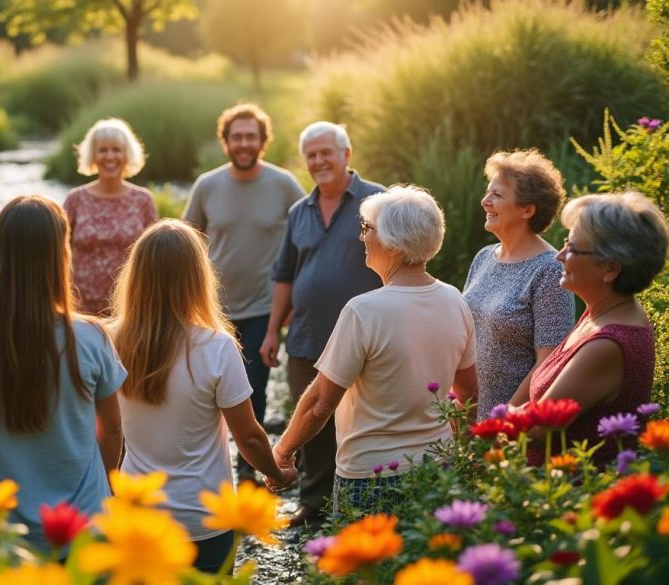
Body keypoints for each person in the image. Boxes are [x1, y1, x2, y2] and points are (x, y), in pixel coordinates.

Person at [0, 196, 124, 551]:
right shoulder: (93, 337)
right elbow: (111, 430)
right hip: (81, 529)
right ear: (60, 256)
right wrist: (106, 482)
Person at [270, 186, 477, 514]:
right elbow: (466, 392)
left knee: (362, 565)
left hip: (372, 476)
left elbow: (320, 402)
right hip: (439, 468)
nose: (361, 237)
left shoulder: (364, 311)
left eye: (367, 229)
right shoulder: (455, 300)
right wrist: (461, 456)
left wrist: (282, 451)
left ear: (394, 245)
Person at [110, 220, 297, 573]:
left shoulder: (110, 340)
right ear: (197, 277)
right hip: (204, 517)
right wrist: (279, 473)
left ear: (135, 276)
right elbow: (250, 437)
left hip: (138, 515)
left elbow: (104, 431)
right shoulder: (216, 346)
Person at [259, 121, 384, 527]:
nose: (318, 161)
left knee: (360, 422)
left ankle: (357, 505)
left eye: (326, 152)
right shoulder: (299, 211)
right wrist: (272, 331)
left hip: (366, 339)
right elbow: (284, 275)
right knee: (310, 421)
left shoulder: (377, 202)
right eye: (311, 155)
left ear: (347, 154)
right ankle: (313, 502)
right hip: (307, 336)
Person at [183, 103, 305, 485]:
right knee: (204, 388)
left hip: (263, 308)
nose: (244, 143)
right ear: (226, 141)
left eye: (251, 136)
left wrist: (294, 298)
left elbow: (308, 235)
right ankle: (210, 465)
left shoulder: (284, 184)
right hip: (210, 309)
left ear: (262, 141)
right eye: (237, 136)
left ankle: (248, 472)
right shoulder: (207, 185)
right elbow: (186, 242)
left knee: (253, 389)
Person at [515, 193, 668, 468]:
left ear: (610, 269)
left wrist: (498, 417)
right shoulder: (602, 312)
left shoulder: (607, 345)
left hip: (571, 500)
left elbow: (537, 430)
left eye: (572, 249)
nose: (560, 256)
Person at [463, 150, 575, 421]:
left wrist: (500, 423)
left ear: (528, 209)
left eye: (497, 195)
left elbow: (548, 365)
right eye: (487, 192)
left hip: (510, 432)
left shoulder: (550, 270)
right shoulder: (483, 258)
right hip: (464, 419)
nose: (485, 201)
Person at [64, 118, 158, 316]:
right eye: (103, 150)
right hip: (81, 308)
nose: (110, 156)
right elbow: (59, 254)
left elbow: (154, 258)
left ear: (127, 154)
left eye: (116, 149)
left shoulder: (143, 200)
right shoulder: (75, 199)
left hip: (130, 305)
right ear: (93, 155)